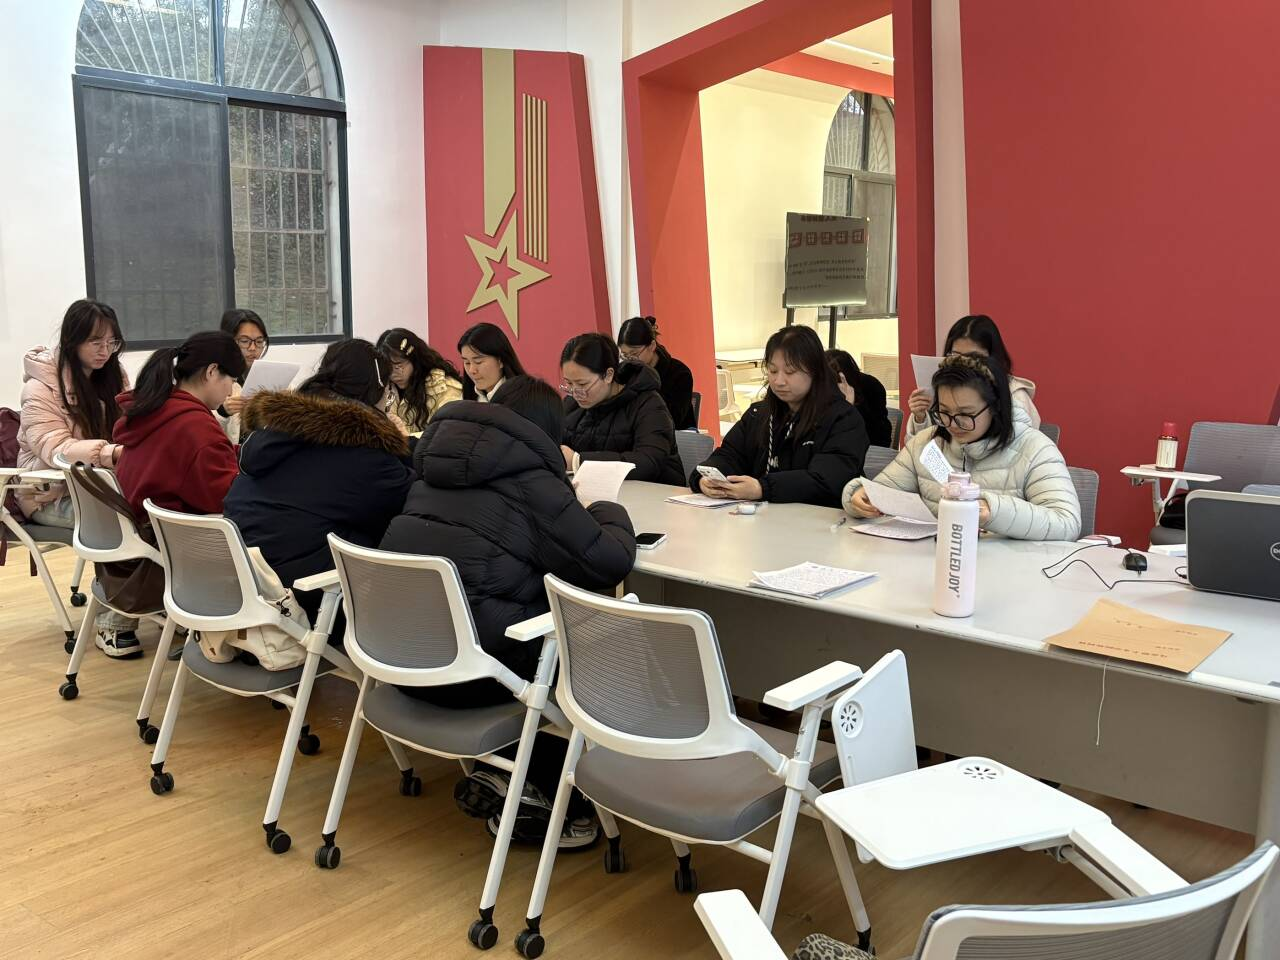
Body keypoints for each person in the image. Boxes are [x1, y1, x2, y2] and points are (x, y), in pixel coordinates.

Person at [382, 375, 636, 849]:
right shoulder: (532, 482)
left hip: (400, 659)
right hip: (475, 676)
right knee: (591, 640)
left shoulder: (431, 471)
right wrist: (605, 508)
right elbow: (609, 561)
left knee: (517, 619)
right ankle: (557, 791)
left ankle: (505, 772)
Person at [223, 339, 415, 640]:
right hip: (306, 598)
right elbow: (406, 502)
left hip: (243, 587)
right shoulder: (359, 448)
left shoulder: (274, 430)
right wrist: (401, 447)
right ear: (376, 390)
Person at [844, 354, 1080, 540]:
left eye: (966, 414)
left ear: (996, 408)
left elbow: (1067, 522)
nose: (953, 424)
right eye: (944, 412)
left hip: (1010, 572)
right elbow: (881, 490)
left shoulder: (1034, 449)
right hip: (933, 564)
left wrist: (992, 511)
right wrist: (858, 496)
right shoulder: (927, 444)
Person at [17, 300, 138, 658]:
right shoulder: (40, 388)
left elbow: (131, 427)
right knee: (121, 522)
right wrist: (109, 453)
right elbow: (53, 447)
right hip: (49, 494)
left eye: (112, 342)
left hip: (103, 487)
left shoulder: (115, 377)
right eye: (96, 342)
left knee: (159, 509)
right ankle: (113, 622)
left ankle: (152, 601)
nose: (105, 351)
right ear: (72, 340)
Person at [690, 325, 868, 507]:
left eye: (790, 372)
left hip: (821, 519)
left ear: (814, 371)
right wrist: (705, 479)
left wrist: (762, 488)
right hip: (763, 517)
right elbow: (729, 455)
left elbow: (825, 480)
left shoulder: (843, 419)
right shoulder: (758, 414)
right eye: (773, 371)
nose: (778, 381)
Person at [114, 331, 244, 518]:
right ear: (212, 371)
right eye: (232, 381)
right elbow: (228, 499)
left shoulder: (158, 408)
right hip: (166, 533)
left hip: (140, 526)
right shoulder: (196, 426)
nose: (231, 391)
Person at [560, 332, 685, 485]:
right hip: (598, 491)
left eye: (582, 384)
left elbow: (649, 461)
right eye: (569, 384)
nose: (575, 393)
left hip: (656, 492)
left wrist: (579, 461)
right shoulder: (572, 405)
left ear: (608, 375)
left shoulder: (648, 404)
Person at [906, 314, 1040, 440]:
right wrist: (920, 418)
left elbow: (1023, 447)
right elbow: (919, 450)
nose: (963, 363)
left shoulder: (1016, 396)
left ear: (992, 357)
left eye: (973, 357)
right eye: (956, 356)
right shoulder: (944, 388)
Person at [375, 328, 463, 432]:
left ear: (415, 359)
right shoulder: (386, 387)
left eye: (398, 365)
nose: (393, 374)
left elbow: (449, 431)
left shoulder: (443, 387)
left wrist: (406, 437)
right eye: (387, 368)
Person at [617, 315, 696, 430]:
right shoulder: (625, 373)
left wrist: (646, 380)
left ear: (652, 346)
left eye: (634, 354)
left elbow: (673, 419)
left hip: (674, 435)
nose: (630, 360)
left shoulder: (679, 373)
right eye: (624, 355)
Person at [216, 308, 270, 443]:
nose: (253, 348)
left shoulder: (270, 374)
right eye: (245, 341)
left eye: (259, 341)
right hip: (230, 453)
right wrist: (223, 412)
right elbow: (199, 430)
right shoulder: (211, 377)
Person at [826, 348, 892, 448]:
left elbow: (880, 436)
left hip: (870, 449)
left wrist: (848, 406)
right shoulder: (819, 390)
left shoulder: (870, 388)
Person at [457, 322, 526, 402]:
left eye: (478, 362)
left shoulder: (525, 398)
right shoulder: (464, 398)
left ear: (500, 361)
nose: (471, 370)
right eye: (467, 363)